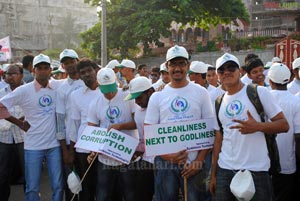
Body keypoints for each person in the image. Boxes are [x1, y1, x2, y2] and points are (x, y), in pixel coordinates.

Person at [209, 53, 289, 201]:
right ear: (218, 76)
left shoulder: (259, 92)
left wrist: (257, 126)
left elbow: (284, 125)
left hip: (256, 170)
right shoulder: (218, 102)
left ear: (240, 71)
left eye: (231, 68)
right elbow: (219, 139)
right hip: (225, 169)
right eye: (221, 70)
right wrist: (213, 174)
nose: (226, 72)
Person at [144, 45, 214, 201]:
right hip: (166, 164)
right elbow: (149, 134)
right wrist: (169, 157)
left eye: (181, 64)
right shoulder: (157, 97)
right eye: (173, 64)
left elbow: (210, 131)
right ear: (167, 66)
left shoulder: (201, 93)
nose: (177, 68)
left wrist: (199, 161)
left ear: (188, 66)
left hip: (195, 163)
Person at [0, 54, 63, 201]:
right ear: (33, 71)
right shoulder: (24, 90)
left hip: (54, 145)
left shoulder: (58, 86)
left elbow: (77, 83)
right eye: (39, 68)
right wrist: (18, 123)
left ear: (50, 70)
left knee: (58, 186)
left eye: (45, 68)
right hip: (33, 146)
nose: (42, 71)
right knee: (32, 187)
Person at [87, 67, 139, 201]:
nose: (109, 93)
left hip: (127, 156)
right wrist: (92, 151)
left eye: (111, 88)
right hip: (105, 158)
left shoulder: (128, 97)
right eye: (105, 89)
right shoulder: (95, 103)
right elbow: (92, 130)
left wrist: (120, 126)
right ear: (98, 85)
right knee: (103, 194)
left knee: (130, 193)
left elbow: (137, 123)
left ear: (115, 81)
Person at [268, 63, 300, 201]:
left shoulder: (263, 98)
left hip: (265, 163)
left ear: (269, 80)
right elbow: (298, 136)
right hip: (288, 163)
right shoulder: (295, 101)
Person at [68, 58, 100, 201]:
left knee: (105, 186)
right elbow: (74, 123)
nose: (87, 74)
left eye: (89, 71)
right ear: (79, 76)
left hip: (104, 147)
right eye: (83, 72)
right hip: (83, 148)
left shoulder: (110, 91)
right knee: (86, 186)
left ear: (96, 71)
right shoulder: (76, 95)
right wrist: (71, 150)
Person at [55, 49, 84, 201]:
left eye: (72, 61)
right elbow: (59, 119)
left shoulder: (89, 82)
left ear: (78, 61)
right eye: (66, 63)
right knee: (71, 183)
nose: (70, 65)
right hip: (69, 142)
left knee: (87, 181)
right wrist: (65, 150)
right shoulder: (62, 89)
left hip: (88, 141)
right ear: (63, 66)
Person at [124, 76, 156, 201]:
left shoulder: (161, 108)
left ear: (150, 92)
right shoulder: (138, 112)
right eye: (134, 98)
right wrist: (136, 151)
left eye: (139, 97)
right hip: (145, 160)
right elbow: (143, 138)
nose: (136, 101)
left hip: (161, 161)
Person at [0, 64, 25, 201]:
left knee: (28, 173)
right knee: (3, 174)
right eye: (8, 74)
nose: (10, 76)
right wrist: (17, 120)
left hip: (23, 138)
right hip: (4, 138)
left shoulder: (29, 89)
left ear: (21, 75)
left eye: (14, 73)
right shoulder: (1, 92)